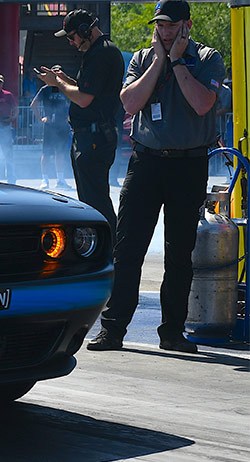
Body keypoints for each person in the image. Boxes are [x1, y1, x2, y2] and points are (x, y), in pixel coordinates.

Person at [89, 0, 225, 354]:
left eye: (171, 25)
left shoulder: (207, 58)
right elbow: (130, 103)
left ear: (187, 26)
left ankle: (172, 332)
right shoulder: (142, 58)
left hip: (188, 164)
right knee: (128, 247)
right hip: (147, 162)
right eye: (160, 26)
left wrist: (178, 61)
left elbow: (202, 104)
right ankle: (113, 328)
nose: (164, 32)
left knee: (179, 252)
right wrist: (161, 60)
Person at [36, 8, 123, 232]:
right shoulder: (99, 51)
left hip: (95, 137)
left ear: (86, 31)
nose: (71, 43)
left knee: (96, 202)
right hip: (90, 136)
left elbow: (84, 99)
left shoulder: (101, 53)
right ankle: (104, 247)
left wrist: (58, 84)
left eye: (72, 37)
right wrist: (65, 79)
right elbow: (90, 91)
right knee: (90, 199)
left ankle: (108, 248)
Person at [31, 65, 72, 189]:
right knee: (46, 153)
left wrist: (69, 118)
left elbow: (73, 102)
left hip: (62, 125)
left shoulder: (65, 88)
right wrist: (41, 118)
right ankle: (45, 179)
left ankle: (60, 180)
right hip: (49, 126)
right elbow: (33, 104)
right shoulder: (45, 89)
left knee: (60, 153)